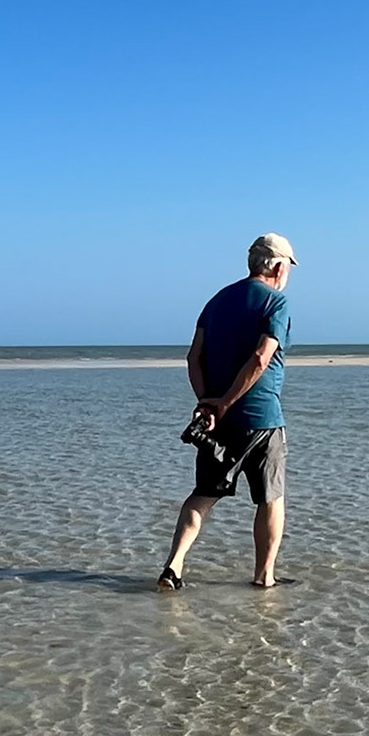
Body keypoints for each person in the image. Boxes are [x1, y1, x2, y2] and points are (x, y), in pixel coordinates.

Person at [158, 233, 296, 591]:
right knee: (270, 498)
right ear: (278, 267)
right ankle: (264, 576)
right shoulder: (275, 304)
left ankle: (173, 567)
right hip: (261, 418)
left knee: (203, 494)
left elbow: (193, 357)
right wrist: (226, 402)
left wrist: (208, 401)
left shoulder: (217, 301)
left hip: (216, 421)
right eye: (288, 268)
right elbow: (261, 357)